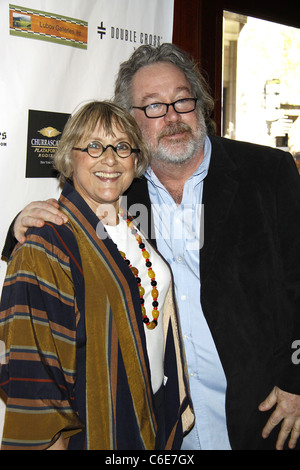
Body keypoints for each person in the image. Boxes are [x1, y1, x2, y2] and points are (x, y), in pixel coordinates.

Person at [2, 43, 300, 450]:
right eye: (154, 107)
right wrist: (18, 227)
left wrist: (296, 380)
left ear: (200, 105)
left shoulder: (267, 173)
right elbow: (69, 230)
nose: (173, 117)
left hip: (263, 417)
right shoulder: (122, 189)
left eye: (182, 100)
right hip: (167, 426)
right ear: (131, 121)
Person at [0, 100, 194, 450]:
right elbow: (36, 382)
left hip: (148, 417)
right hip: (95, 429)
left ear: (135, 161)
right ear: (69, 156)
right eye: (93, 146)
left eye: (121, 147)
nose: (109, 159)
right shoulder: (45, 244)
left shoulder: (134, 224)